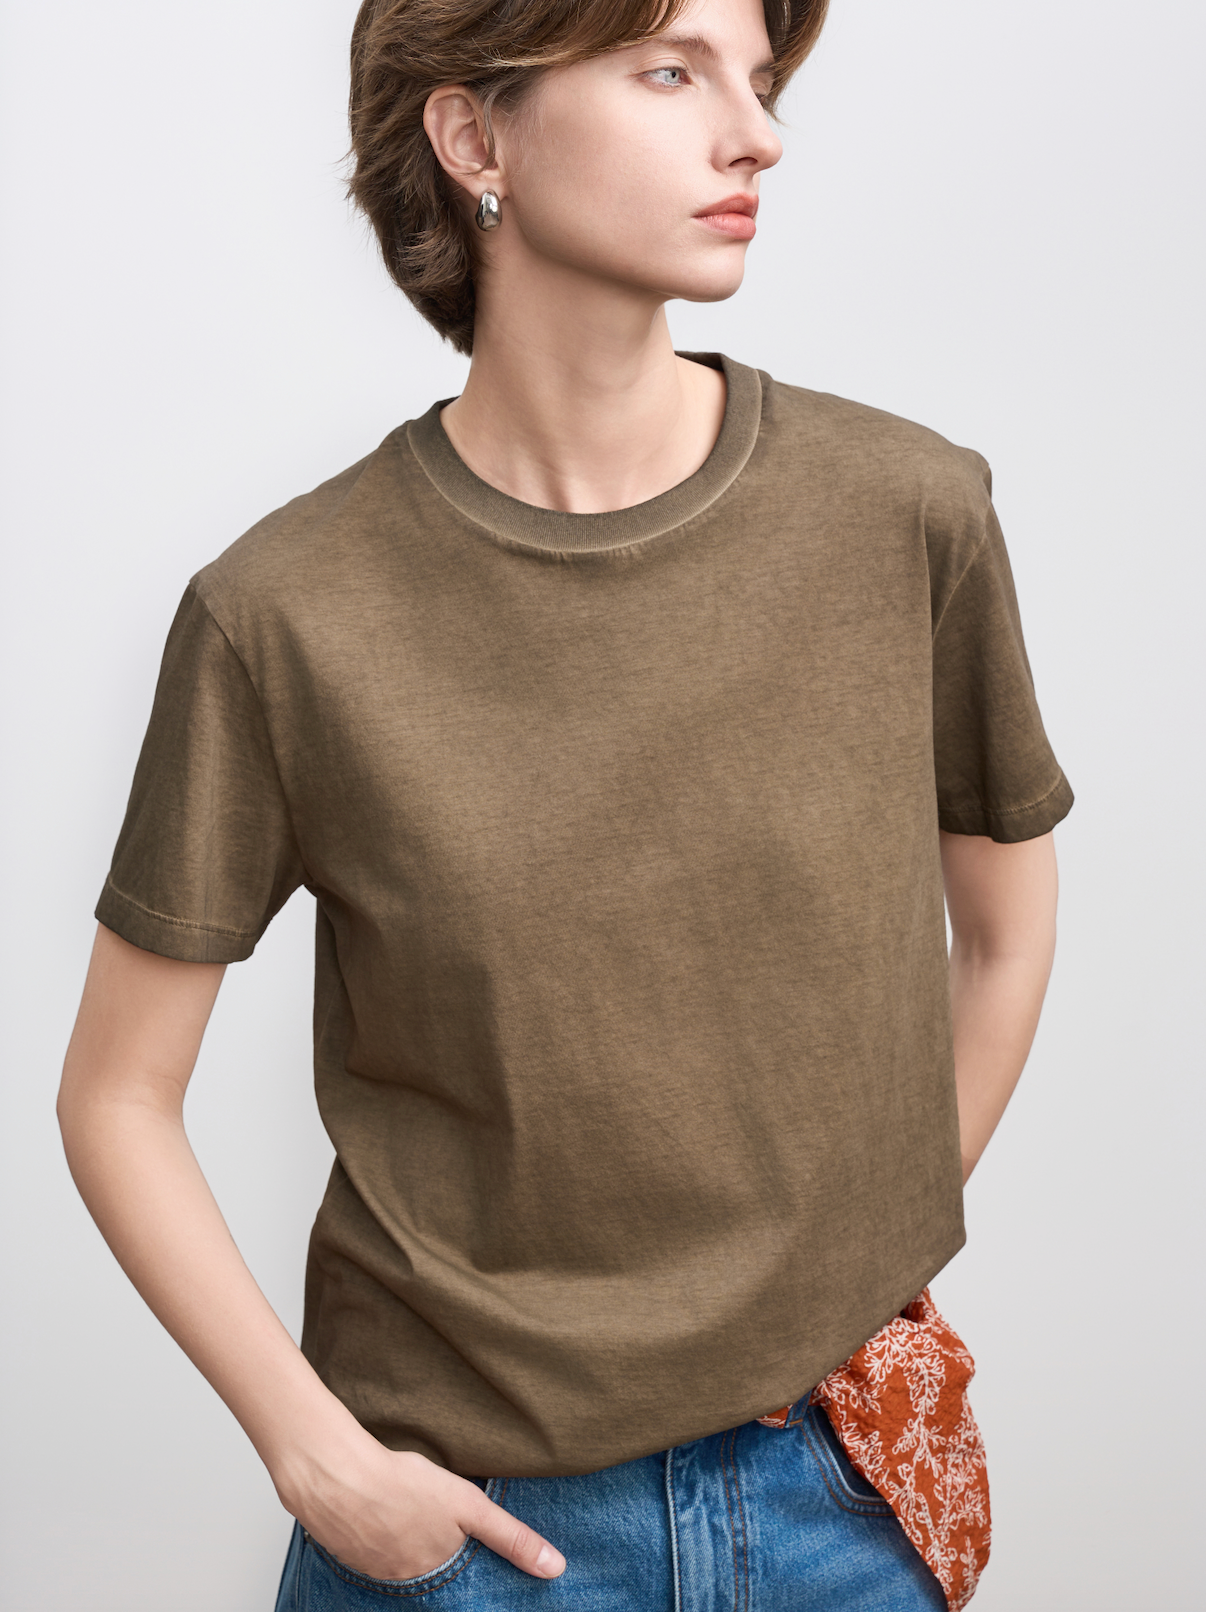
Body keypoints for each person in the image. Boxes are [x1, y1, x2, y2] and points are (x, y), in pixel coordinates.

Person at [57, 0, 1072, 1605]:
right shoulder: (285, 614)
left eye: (758, 81)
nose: (756, 135)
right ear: (475, 136)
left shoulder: (904, 514)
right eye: (670, 72)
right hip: (463, 1539)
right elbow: (116, 1095)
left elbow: (1004, 936)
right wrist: (314, 1454)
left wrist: (842, 1287)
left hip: (837, 1502)